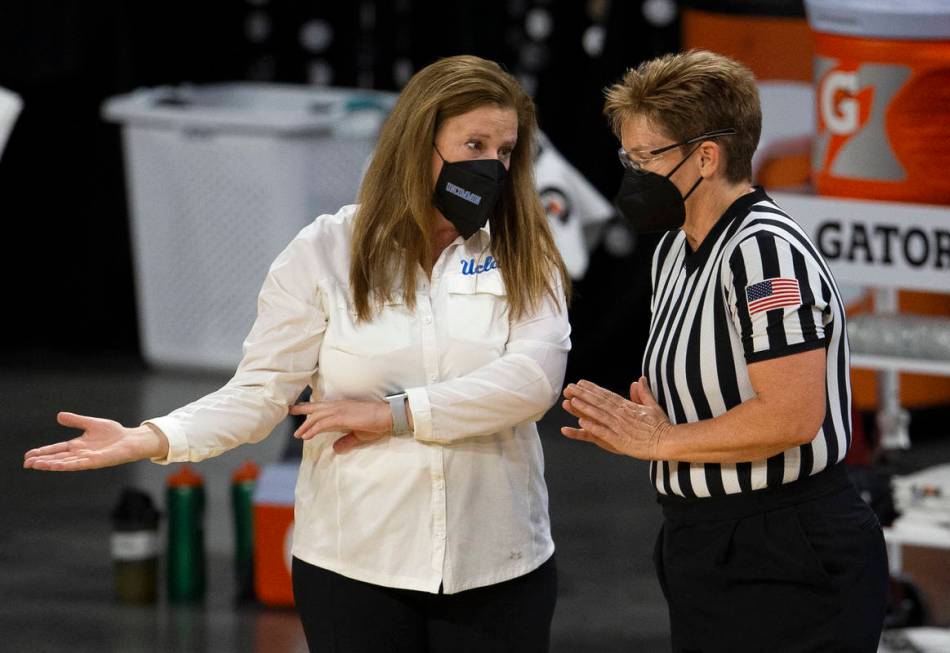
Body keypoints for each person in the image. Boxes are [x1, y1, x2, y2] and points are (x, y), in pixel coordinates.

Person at [24, 55, 571, 653]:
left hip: (497, 564)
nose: (492, 164)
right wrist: (153, 436)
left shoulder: (527, 254)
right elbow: (259, 393)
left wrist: (393, 414)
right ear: (418, 145)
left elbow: (531, 382)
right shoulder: (325, 251)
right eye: (473, 144)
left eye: (506, 150)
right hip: (355, 564)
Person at [560, 50, 887, 652]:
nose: (631, 173)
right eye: (626, 157)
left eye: (644, 158)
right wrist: (656, 423)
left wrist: (659, 441)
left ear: (705, 157)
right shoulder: (673, 250)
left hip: (787, 546)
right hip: (702, 539)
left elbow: (792, 414)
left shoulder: (764, 254)